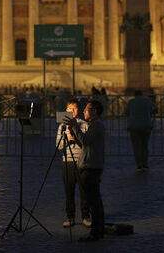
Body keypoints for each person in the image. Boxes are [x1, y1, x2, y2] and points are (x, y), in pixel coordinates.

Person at [64, 99, 105, 242]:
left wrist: (74, 126)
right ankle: (98, 229)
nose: (83, 112)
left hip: (91, 166)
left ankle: (96, 230)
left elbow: (85, 141)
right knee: (95, 200)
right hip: (90, 164)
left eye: (86, 110)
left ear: (94, 111)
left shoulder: (96, 125)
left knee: (94, 201)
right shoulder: (95, 124)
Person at [56, 99, 89, 228]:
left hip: (81, 161)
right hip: (67, 161)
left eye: (74, 109)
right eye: (69, 109)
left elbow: (86, 144)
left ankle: (86, 216)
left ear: (79, 111)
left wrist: (76, 138)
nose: (71, 112)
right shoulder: (62, 126)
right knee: (69, 191)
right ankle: (70, 217)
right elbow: (58, 146)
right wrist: (68, 141)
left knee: (84, 190)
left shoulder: (84, 125)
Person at [126, 90, 153, 171]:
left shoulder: (131, 102)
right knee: (145, 146)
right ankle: (145, 164)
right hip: (146, 126)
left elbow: (126, 112)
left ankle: (138, 165)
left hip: (134, 126)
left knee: (136, 146)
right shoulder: (147, 101)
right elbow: (152, 110)